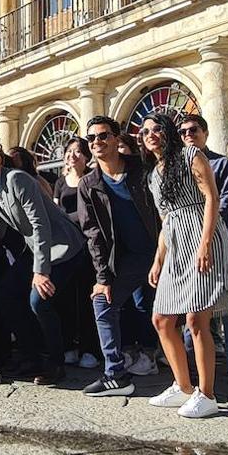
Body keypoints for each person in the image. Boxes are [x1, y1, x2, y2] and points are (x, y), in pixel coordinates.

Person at [0, 138, 89, 385]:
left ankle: (54, 363)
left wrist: (41, 272)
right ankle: (30, 356)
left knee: (38, 300)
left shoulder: (17, 179)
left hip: (64, 248)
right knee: (5, 292)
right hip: (38, 250)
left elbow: (40, 224)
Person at [140, 113, 228, 419]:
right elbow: (166, 219)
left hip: (202, 234)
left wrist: (205, 242)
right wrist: (158, 258)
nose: (150, 134)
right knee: (162, 319)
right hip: (175, 241)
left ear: (168, 132)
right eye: (145, 132)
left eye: (156, 129)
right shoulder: (154, 174)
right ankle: (182, 386)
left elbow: (211, 198)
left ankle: (206, 394)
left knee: (196, 319)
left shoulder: (190, 154)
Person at [75, 116, 161, 396]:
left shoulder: (142, 169)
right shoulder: (89, 184)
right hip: (125, 258)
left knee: (171, 313)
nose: (97, 142)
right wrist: (103, 277)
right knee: (103, 302)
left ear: (116, 138)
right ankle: (115, 374)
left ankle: (192, 376)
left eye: (103, 136)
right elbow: (92, 234)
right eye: (91, 138)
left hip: (162, 248)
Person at [179, 113, 228, 387]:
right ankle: (193, 368)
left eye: (194, 129)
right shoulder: (176, 167)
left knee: (227, 303)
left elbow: (227, 200)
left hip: (216, 239)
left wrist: (208, 230)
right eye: (183, 132)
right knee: (191, 305)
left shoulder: (222, 163)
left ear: (205, 132)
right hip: (187, 243)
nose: (188, 135)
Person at [53, 136, 101, 370]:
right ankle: (69, 345)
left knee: (86, 298)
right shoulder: (61, 182)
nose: (73, 155)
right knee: (66, 299)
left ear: (86, 157)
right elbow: (55, 210)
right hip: (66, 246)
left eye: (78, 151)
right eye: (69, 151)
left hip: (88, 246)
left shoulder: (92, 179)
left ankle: (90, 348)